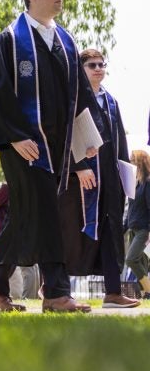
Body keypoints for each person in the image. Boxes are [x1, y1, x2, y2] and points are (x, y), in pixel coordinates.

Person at [0, 0, 102, 313]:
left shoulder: (65, 41)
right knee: (47, 214)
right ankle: (56, 293)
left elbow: (79, 99)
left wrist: (85, 141)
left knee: (24, 215)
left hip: (58, 148)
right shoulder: (10, 40)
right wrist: (16, 136)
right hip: (26, 146)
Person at [58, 49, 139, 308]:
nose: (98, 68)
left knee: (110, 232)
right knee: (73, 232)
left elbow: (120, 142)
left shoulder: (111, 101)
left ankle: (113, 292)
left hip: (109, 178)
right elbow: (64, 138)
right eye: (92, 64)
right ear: (81, 69)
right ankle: (53, 286)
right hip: (81, 180)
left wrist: (125, 173)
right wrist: (78, 166)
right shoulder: (73, 99)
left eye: (102, 64)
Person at [124, 150, 150, 298]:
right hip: (133, 229)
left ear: (139, 162)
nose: (130, 162)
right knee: (142, 264)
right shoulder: (135, 184)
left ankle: (149, 290)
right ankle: (144, 295)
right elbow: (130, 210)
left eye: (132, 159)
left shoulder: (147, 183)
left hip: (144, 230)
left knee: (131, 259)